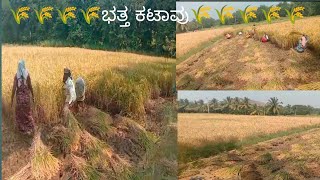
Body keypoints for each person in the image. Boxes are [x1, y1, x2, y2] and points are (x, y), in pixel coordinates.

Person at [11, 60, 35, 135]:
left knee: (19, 113)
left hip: (19, 98)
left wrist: (11, 99)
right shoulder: (27, 74)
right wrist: (33, 95)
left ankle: (22, 130)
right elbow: (30, 86)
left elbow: (14, 88)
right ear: (24, 65)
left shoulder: (16, 75)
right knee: (27, 112)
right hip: (26, 97)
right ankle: (30, 129)